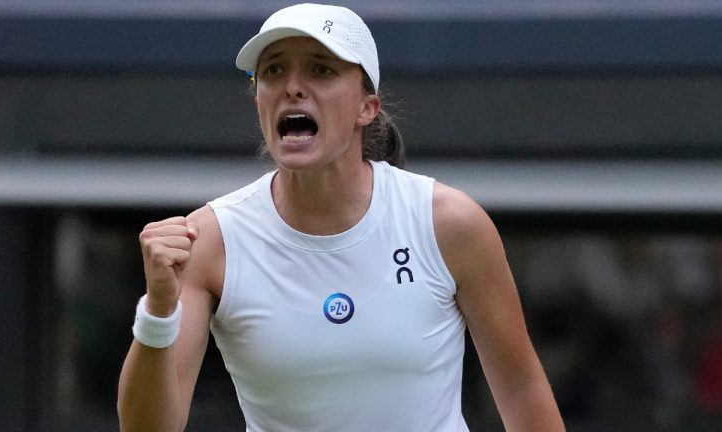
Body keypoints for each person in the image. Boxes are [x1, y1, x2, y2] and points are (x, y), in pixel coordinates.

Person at [117, 3, 565, 431]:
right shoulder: (210, 241)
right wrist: (157, 311)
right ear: (258, 103)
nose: (292, 86)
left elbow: (522, 390)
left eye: (321, 69)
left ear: (366, 107)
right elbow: (147, 428)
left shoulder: (450, 223)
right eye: (273, 70)